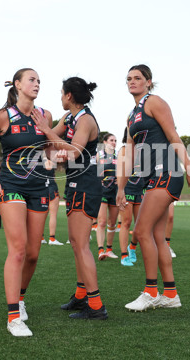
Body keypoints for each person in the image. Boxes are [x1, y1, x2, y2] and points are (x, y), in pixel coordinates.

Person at [0, 68, 52, 337]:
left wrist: (47, 131)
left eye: (39, 81)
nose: (37, 84)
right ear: (17, 85)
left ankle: (20, 297)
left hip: (39, 186)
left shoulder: (46, 115)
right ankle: (13, 317)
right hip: (11, 186)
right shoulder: (2, 116)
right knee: (17, 250)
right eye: (32, 79)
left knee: (32, 254)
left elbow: (52, 150)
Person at [117, 64, 190, 312]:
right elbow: (130, 152)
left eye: (137, 78)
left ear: (148, 82)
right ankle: (171, 294)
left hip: (166, 173)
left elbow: (173, 135)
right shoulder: (131, 115)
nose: (132, 82)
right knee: (156, 237)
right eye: (128, 79)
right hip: (149, 178)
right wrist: (121, 187)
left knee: (141, 232)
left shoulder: (154, 102)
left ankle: (151, 291)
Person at [32, 76, 108, 320]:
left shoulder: (85, 119)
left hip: (87, 183)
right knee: (76, 243)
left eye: (61, 93)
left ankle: (96, 306)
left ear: (69, 96)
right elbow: (49, 139)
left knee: (81, 244)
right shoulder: (70, 117)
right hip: (76, 183)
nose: (60, 97)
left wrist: (46, 133)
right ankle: (81, 295)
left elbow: (74, 151)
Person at [117, 127, 143, 266]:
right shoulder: (123, 150)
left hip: (141, 189)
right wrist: (120, 191)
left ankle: (132, 247)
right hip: (127, 189)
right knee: (126, 223)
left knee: (141, 225)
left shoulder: (144, 149)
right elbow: (119, 171)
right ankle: (124, 255)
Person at [96, 133, 120, 260]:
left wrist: (121, 181)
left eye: (115, 140)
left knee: (112, 222)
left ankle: (109, 249)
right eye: (111, 140)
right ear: (104, 142)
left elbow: (124, 171)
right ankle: (101, 250)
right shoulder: (99, 155)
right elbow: (93, 171)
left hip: (115, 192)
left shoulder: (119, 155)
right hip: (102, 191)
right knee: (102, 221)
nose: (114, 142)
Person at [43, 158, 63, 245]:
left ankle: (41, 237)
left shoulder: (38, 160)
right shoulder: (51, 160)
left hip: (42, 189)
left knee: (41, 215)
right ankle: (52, 238)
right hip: (51, 188)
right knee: (53, 215)